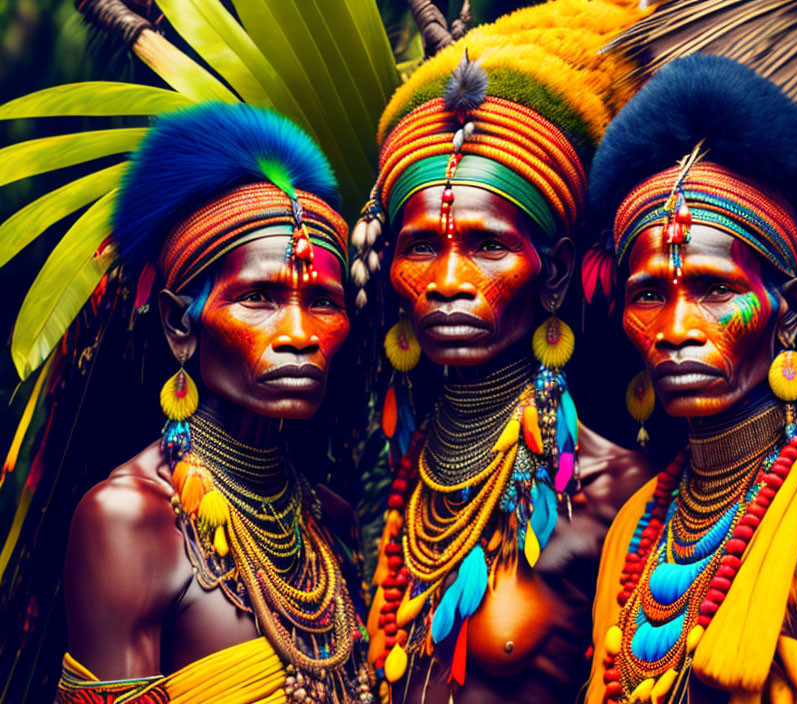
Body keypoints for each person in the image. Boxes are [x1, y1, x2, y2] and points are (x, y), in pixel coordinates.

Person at [352, 2, 653, 702]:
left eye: (487, 246)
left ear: (553, 272)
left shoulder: (618, 494)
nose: (448, 284)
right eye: (421, 247)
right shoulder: (394, 477)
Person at [583, 54, 797, 704]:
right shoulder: (636, 523)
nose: (676, 326)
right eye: (647, 295)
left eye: (714, 289)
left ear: (793, 311)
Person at [56, 103, 373, 703]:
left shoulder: (333, 521)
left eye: (325, 303)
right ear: (181, 323)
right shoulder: (128, 521)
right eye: (258, 297)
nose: (300, 334)